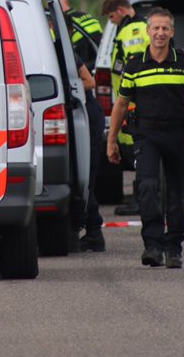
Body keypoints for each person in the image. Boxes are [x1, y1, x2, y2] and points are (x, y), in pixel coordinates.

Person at [107, 7, 184, 269]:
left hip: (178, 134)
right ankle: (153, 245)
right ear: (147, 32)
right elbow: (121, 104)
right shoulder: (134, 64)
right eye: (155, 28)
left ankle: (173, 247)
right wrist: (112, 140)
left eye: (165, 28)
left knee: (177, 192)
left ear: (171, 31)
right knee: (146, 187)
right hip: (146, 135)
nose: (160, 33)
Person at [101, 0, 150, 216]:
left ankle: (143, 200)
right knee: (137, 152)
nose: (112, 22)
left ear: (120, 10)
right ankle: (142, 198)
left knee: (138, 152)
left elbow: (136, 66)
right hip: (131, 100)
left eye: (111, 17)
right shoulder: (135, 27)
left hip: (132, 101)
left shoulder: (132, 30)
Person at [71, 52, 107, 252]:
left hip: (88, 117)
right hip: (80, 115)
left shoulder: (68, 53)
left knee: (87, 178)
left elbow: (90, 82)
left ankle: (94, 233)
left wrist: (65, 89)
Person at [56, 0, 103, 67]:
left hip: (83, 65)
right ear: (67, 2)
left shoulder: (63, 22)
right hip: (100, 61)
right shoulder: (89, 16)